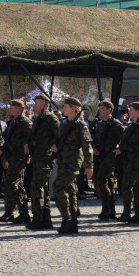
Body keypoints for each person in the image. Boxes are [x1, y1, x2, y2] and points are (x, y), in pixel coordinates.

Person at [51, 96, 93, 234]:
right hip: (63, 160)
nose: (63, 108)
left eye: (66, 106)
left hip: (73, 161)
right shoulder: (63, 124)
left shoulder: (81, 125)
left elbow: (87, 146)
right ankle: (72, 221)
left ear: (73, 109)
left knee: (57, 186)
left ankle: (66, 217)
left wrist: (89, 166)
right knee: (70, 190)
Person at [25, 94, 60, 230]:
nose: (34, 106)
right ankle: (46, 219)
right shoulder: (39, 118)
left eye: (37, 103)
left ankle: (38, 219)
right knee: (43, 190)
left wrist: (54, 149)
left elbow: (59, 137)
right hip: (37, 157)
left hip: (45, 158)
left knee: (37, 188)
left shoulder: (51, 119)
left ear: (44, 104)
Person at [0, 98, 32, 224]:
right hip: (12, 157)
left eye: (12, 107)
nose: (10, 109)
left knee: (11, 183)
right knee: (18, 186)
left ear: (19, 109)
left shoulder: (25, 122)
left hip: (20, 158)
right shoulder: (14, 122)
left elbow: (30, 140)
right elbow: (8, 139)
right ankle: (23, 213)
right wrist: (3, 152)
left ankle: (10, 212)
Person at [117, 102, 139, 224]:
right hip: (128, 160)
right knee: (136, 187)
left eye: (131, 110)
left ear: (138, 112)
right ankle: (138, 214)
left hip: (137, 161)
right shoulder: (131, 127)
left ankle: (127, 213)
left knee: (126, 185)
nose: (128, 112)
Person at [90, 100, 123, 221]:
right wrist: (94, 147)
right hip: (102, 154)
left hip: (111, 154)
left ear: (110, 110)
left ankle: (106, 208)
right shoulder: (99, 123)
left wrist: (119, 149)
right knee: (108, 182)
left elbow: (124, 137)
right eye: (99, 108)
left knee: (101, 178)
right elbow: (94, 138)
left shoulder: (115, 123)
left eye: (103, 108)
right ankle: (110, 209)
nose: (100, 110)